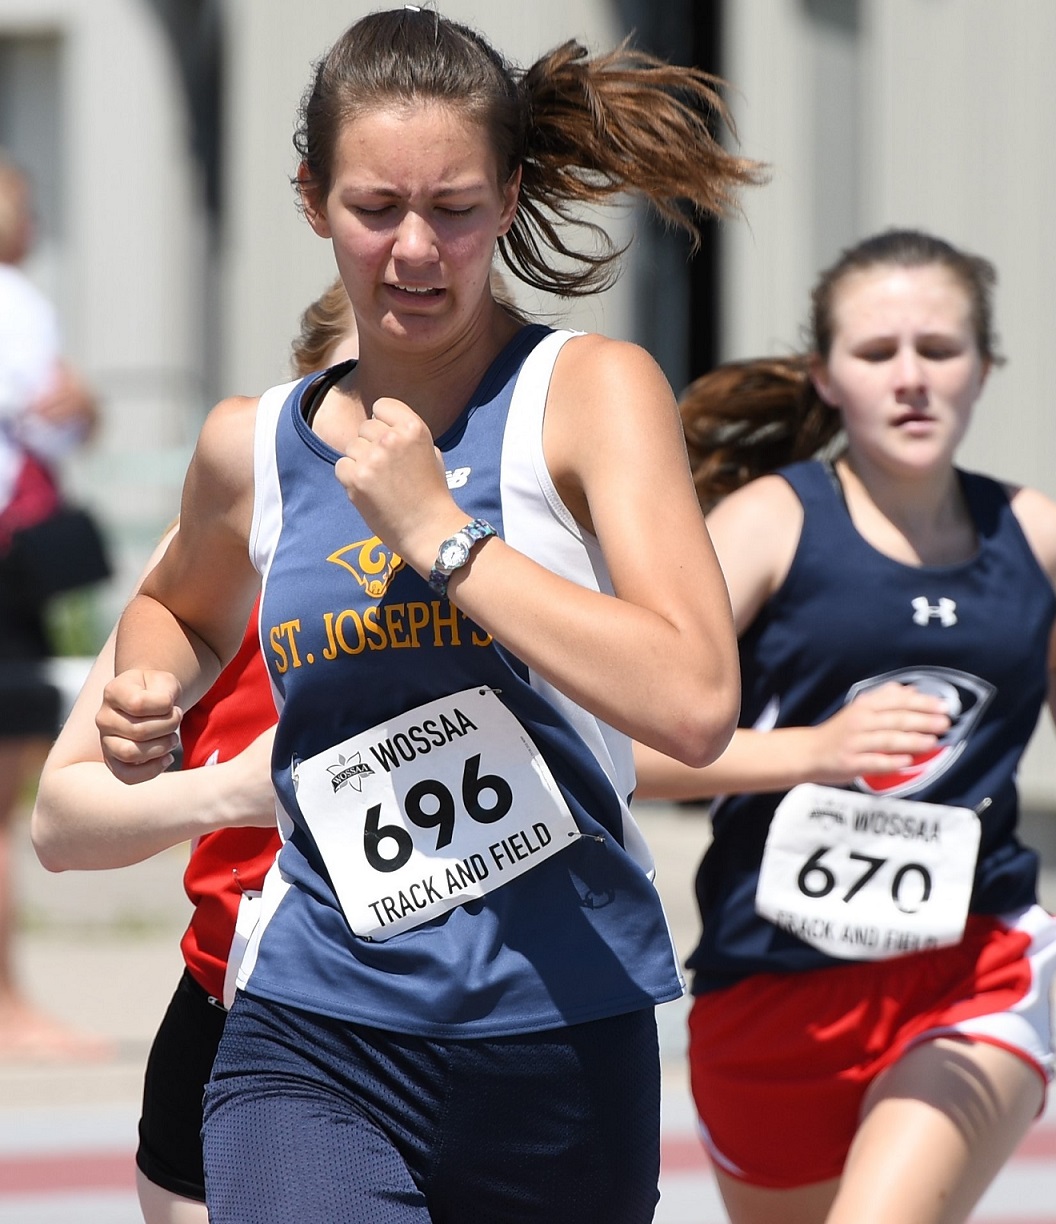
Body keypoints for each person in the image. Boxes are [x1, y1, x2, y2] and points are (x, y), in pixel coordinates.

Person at [95, 9, 761, 1222]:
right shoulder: (255, 444)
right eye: (375, 209)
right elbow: (176, 611)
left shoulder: (588, 394)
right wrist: (152, 683)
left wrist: (445, 539)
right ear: (311, 200)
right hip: (315, 1028)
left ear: (508, 198)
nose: (416, 250)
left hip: (561, 1035)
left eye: (454, 209)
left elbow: (697, 700)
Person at [634, 228, 1056, 1224]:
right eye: (878, 354)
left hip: (970, 965)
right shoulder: (765, 527)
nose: (912, 378)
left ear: (986, 367)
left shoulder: (1040, 537)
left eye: (942, 350)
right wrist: (814, 752)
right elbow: (617, 747)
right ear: (825, 377)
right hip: (769, 982)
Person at [31, 276, 356, 1223]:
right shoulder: (223, 550)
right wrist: (239, 792)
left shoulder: (503, 542)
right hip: (239, 1001)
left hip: (475, 1021)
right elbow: (62, 820)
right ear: (300, 397)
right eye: (357, 391)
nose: (392, 435)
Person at [0, 150, 103, 1060]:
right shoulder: (13, 301)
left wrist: (78, 405)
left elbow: (60, 415)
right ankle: (7, 1007)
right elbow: (54, 412)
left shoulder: (22, 301)